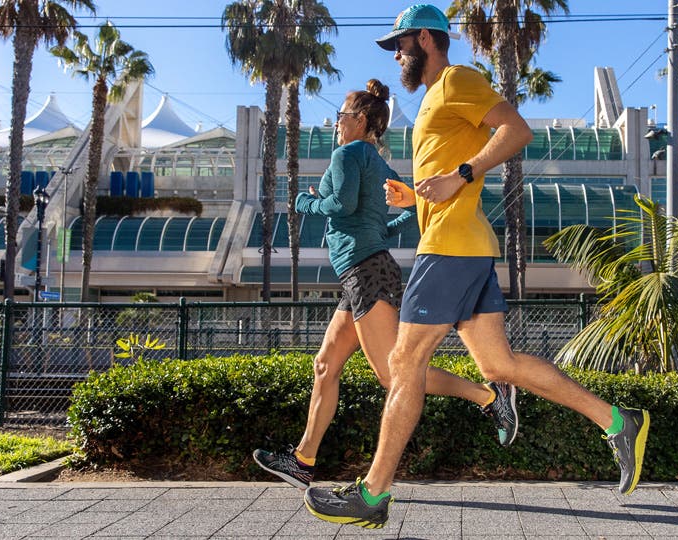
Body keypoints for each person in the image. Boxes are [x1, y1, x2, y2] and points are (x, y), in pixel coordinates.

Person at [303, 5, 651, 529]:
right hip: (464, 243)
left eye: (400, 43)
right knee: (499, 366)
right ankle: (620, 421)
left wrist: (463, 173)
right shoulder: (433, 101)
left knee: (403, 365)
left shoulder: (456, 81)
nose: (396, 54)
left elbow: (517, 130)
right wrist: (412, 199)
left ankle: (372, 496)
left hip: (448, 250)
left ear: (426, 38)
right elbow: (445, 175)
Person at [253, 79, 519, 491]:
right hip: (362, 270)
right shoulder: (381, 166)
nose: (336, 124)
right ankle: (303, 460)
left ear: (360, 120)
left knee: (394, 376)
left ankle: (489, 397)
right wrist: (378, 230)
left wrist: (306, 203)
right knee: (324, 365)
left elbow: (339, 205)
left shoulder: (347, 154)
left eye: (341, 116)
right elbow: (403, 215)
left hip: (366, 272)